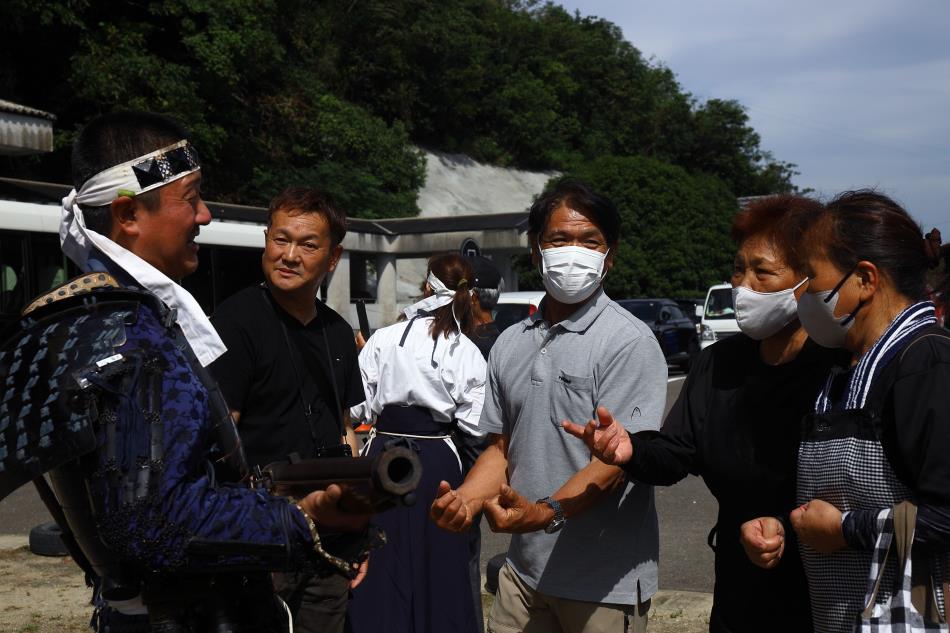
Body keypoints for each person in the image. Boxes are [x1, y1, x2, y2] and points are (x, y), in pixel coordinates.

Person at [3, 111, 370, 632]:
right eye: (191, 198)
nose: (204, 217)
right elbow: (151, 524)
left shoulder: (103, 318)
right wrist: (302, 519)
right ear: (128, 214)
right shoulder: (127, 338)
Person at [562, 195, 849, 632]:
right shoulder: (718, 364)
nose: (743, 285)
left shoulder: (840, 369)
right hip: (739, 585)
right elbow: (676, 454)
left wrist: (786, 532)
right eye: (739, 268)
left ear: (806, 279)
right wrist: (630, 449)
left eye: (763, 271)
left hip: (826, 586)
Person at [431, 180, 666, 633]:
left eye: (589, 241)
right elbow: (502, 448)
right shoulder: (511, 343)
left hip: (601, 584)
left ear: (609, 256)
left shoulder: (629, 342)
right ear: (536, 252)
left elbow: (613, 467)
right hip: (522, 575)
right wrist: (465, 500)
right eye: (559, 239)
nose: (573, 251)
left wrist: (542, 514)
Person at [742, 191, 950, 632]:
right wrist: (787, 524)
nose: (803, 295)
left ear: (865, 280)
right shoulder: (844, 368)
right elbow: (847, 501)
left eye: (811, 277)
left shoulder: (926, 364)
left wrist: (845, 530)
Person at [210, 187, 366, 633]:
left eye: (308, 244)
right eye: (281, 240)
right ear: (266, 240)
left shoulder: (336, 331)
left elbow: (346, 430)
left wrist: (356, 531)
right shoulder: (234, 322)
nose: (289, 255)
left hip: (327, 543)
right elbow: (220, 441)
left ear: (333, 257)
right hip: (257, 537)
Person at [346, 253, 487, 633]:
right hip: (439, 461)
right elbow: (475, 429)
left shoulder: (383, 339)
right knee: (440, 564)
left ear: (426, 286)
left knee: (381, 557)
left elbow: (356, 409)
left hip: (382, 459)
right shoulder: (467, 350)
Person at [457, 254, 504, 632]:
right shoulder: (511, 341)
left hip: (464, 465)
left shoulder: (459, 345)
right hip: (501, 465)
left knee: (461, 559)